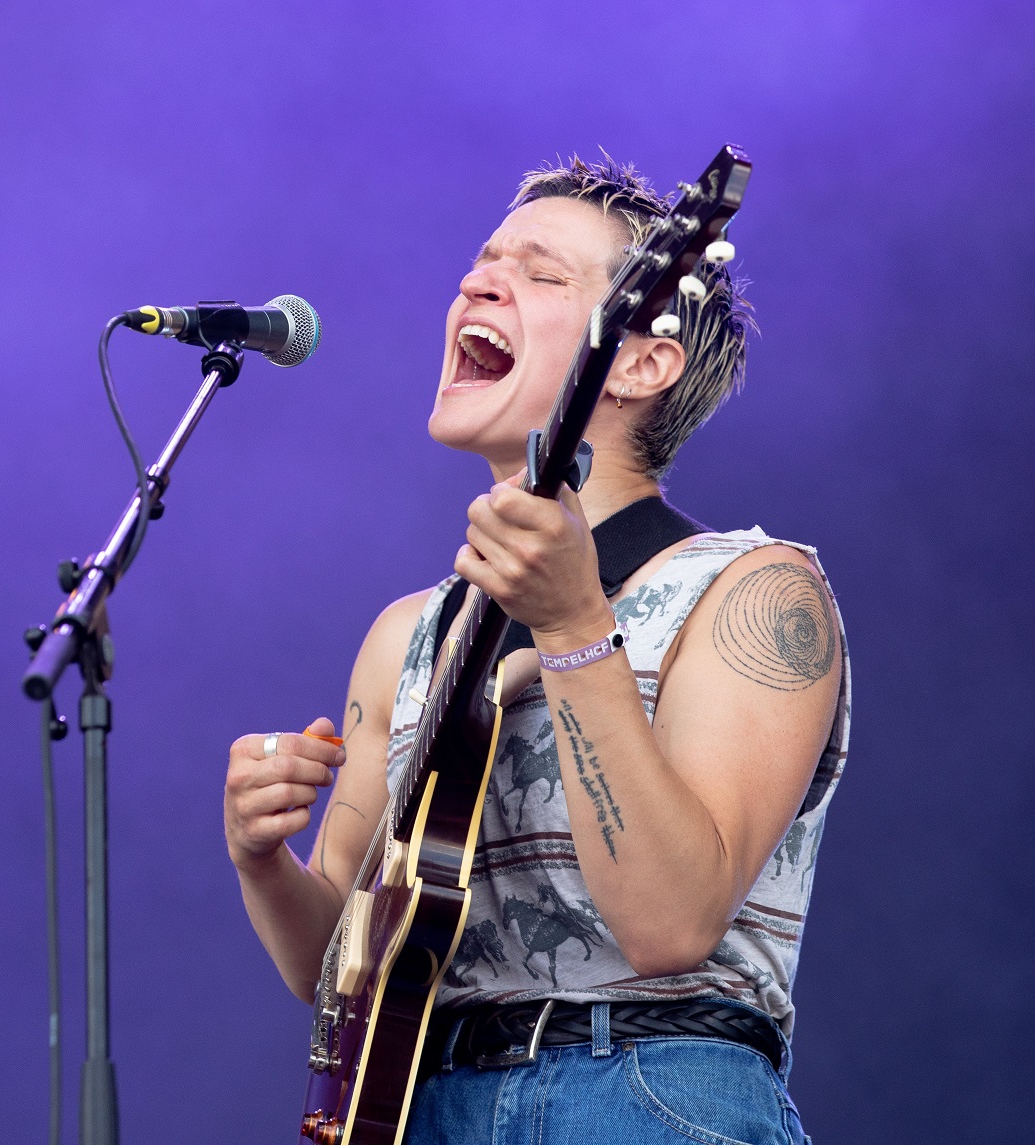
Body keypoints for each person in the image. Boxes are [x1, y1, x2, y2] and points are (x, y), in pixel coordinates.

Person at [223, 155, 849, 1145]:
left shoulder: (751, 588)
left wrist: (570, 628)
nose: (477, 281)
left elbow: (671, 924)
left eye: (541, 273)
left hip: (644, 1086)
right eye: (481, 261)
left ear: (642, 361)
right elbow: (341, 963)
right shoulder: (406, 636)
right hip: (423, 1102)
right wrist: (262, 859)